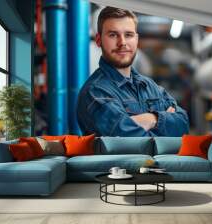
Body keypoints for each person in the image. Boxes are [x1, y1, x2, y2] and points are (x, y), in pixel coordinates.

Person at [76, 7, 189, 137]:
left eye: (128, 35)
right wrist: (165, 123)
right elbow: (129, 141)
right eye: (113, 35)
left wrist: (152, 119)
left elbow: (183, 125)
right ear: (98, 40)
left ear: (136, 39)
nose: (122, 42)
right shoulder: (96, 93)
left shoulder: (150, 86)